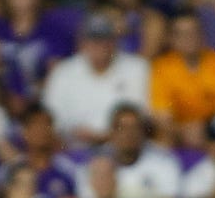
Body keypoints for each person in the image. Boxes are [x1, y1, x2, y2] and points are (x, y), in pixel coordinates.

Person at [42, 12, 149, 148]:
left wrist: (109, 135)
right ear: (82, 42)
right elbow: (51, 116)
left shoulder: (137, 67)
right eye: (94, 40)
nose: (100, 45)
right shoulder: (63, 71)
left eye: (105, 39)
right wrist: (74, 132)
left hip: (123, 147)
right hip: (74, 148)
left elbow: (143, 113)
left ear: (115, 41)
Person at [149, 9, 215, 148]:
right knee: (163, 138)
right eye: (182, 34)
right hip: (177, 134)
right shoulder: (162, 67)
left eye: (193, 32)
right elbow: (162, 116)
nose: (188, 38)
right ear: (172, 38)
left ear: (202, 34)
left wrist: (204, 130)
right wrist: (184, 131)